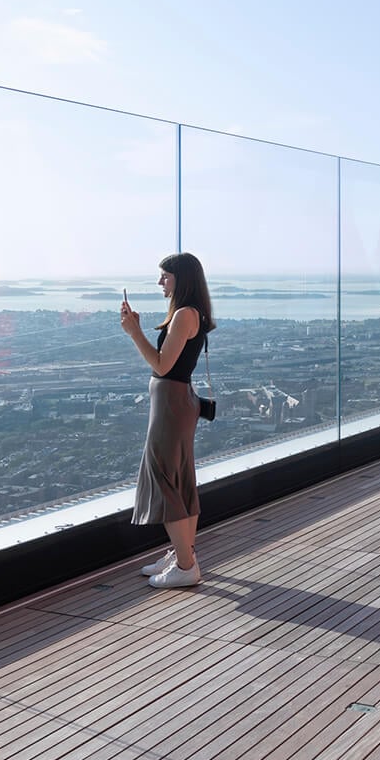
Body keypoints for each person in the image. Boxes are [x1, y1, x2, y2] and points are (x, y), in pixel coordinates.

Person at [120, 252, 216, 589]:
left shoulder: (183, 316)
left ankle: (186, 565)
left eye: (165, 276)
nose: (161, 282)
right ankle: (182, 554)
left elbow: (162, 365)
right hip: (177, 403)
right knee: (179, 478)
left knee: (165, 480)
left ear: (182, 279)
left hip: (172, 405)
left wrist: (134, 332)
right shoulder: (193, 313)